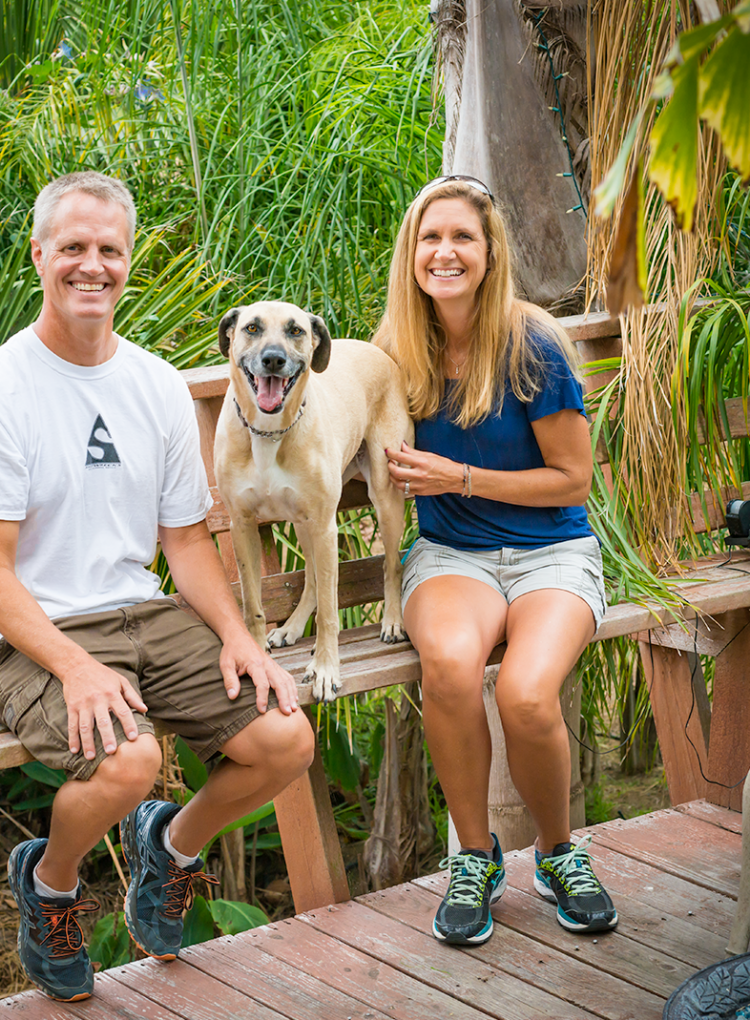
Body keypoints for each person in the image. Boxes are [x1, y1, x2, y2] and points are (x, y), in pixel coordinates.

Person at [0, 170, 314, 1001]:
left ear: (128, 258)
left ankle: (170, 849)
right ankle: (50, 887)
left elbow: (185, 539)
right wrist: (75, 667)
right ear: (39, 255)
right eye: (72, 247)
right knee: (129, 762)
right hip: (23, 635)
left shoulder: (155, 385)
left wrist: (241, 639)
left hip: (141, 613)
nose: (92, 265)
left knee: (286, 739)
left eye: (109, 249)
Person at [375, 175, 617, 946]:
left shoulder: (531, 344)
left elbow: (572, 480)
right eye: (431, 237)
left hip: (552, 554)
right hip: (453, 556)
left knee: (526, 694)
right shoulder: (395, 353)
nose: (445, 252)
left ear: (490, 252)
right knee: (450, 667)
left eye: (462, 237)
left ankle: (557, 853)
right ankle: (475, 860)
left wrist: (460, 477)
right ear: (412, 252)